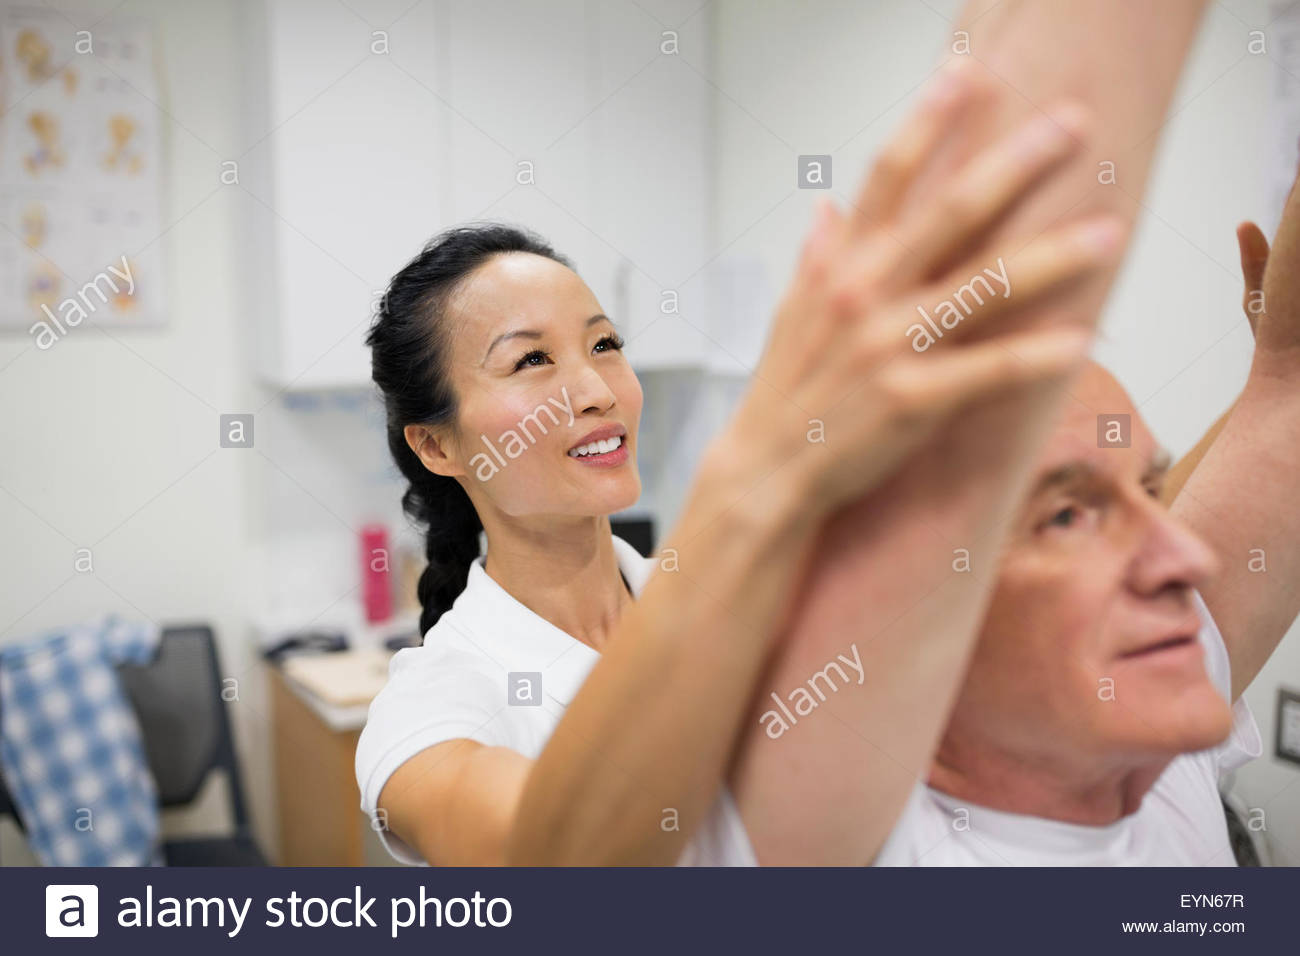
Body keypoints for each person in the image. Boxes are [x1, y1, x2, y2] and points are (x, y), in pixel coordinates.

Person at [353, 62, 1115, 865]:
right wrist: (761, 471)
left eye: (605, 344)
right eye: (531, 362)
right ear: (437, 445)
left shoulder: (736, 613)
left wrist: (1269, 386)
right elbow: (548, 858)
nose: (595, 389)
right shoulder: (434, 701)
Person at [877, 182, 1300, 861]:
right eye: (1068, 516)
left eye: (1150, 488)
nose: (1182, 557)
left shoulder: (1140, 738)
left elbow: (1292, 390)